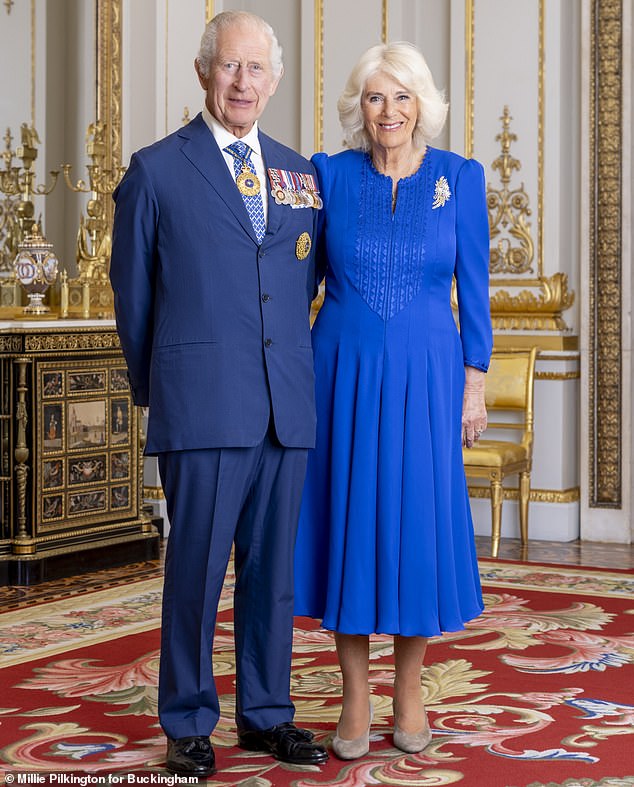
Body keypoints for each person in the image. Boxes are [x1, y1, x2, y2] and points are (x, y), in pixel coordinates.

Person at [110, 11, 328, 778]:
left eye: (257, 69)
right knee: (197, 569)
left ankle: (267, 713)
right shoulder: (156, 170)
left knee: (273, 573)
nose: (243, 82)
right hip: (202, 403)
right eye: (230, 67)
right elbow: (133, 300)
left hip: (284, 406)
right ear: (205, 73)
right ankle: (189, 718)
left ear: (274, 80)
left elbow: (309, 281)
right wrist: (162, 387)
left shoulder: (302, 173)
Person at [294, 42, 493, 760]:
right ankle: (354, 696)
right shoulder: (328, 176)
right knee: (347, 519)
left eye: (402, 96)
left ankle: (408, 688)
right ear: (360, 108)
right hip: (339, 370)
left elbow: (476, 289)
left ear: (422, 105)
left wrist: (475, 383)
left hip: (428, 377)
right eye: (376, 97)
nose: (389, 111)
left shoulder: (460, 178)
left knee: (413, 525)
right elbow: (298, 283)